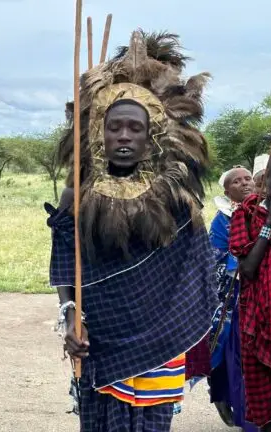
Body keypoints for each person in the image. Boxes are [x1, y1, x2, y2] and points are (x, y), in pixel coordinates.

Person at [49, 31, 217, 431]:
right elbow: (64, 260)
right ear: (99, 133)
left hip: (159, 344)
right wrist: (72, 315)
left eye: (134, 128)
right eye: (114, 127)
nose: (124, 136)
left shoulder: (178, 198)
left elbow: (194, 275)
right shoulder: (77, 192)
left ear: (152, 135)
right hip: (98, 340)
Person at [230, 153, 271, 432]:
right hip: (261, 320)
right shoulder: (248, 213)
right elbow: (248, 270)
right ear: (265, 184)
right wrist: (270, 224)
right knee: (266, 411)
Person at [207, 166, 258, 431]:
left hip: (264, 294)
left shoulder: (266, 212)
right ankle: (245, 416)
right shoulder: (221, 221)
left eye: (247, 178)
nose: (244, 183)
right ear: (227, 192)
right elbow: (213, 260)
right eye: (236, 182)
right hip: (234, 299)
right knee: (237, 355)